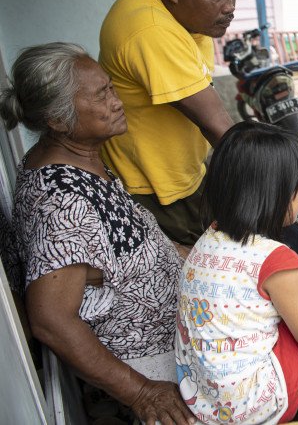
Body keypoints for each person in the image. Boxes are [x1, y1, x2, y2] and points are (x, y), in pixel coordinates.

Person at [0, 43, 194, 425]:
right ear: (58, 118)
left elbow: (128, 242)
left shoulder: (75, 158)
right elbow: (51, 320)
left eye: (110, 87)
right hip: (145, 360)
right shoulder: (63, 207)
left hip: (171, 333)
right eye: (102, 94)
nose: (117, 100)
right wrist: (141, 392)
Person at [175, 121, 298, 424]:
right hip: (256, 407)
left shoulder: (207, 239)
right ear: (272, 196)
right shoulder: (274, 260)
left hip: (205, 399)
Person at [99, 0, 239, 246]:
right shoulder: (149, 28)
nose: (230, 6)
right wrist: (281, 180)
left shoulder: (188, 13)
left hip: (186, 176)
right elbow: (218, 126)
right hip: (153, 190)